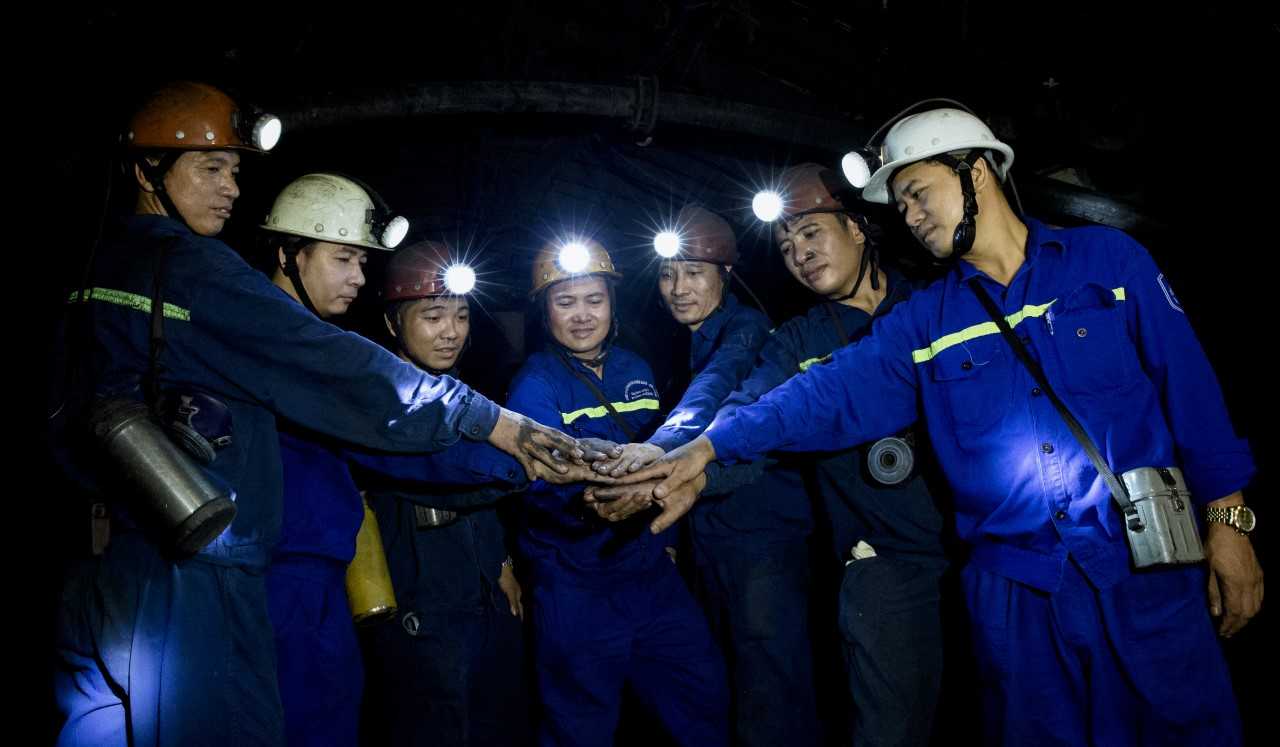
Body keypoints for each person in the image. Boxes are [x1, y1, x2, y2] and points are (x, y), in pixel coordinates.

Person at [617, 107, 1263, 746]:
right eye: (901, 206)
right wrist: (707, 445)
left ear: (977, 171)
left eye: (918, 194)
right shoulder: (927, 321)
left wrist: (1228, 521)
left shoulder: (1109, 263)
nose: (911, 217)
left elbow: (1192, 393)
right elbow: (820, 394)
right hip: (1016, 592)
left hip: (1143, 569)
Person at [52, 82, 590, 747]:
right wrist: (503, 428)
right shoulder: (202, 276)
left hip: (115, 575)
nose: (230, 187)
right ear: (147, 170)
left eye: (236, 170)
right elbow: (344, 373)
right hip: (210, 579)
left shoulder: (98, 265)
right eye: (211, 167)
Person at [506, 237, 729, 746]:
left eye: (594, 300)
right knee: (579, 725)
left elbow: (667, 452)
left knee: (702, 698)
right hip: (575, 581)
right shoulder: (534, 385)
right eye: (565, 303)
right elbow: (542, 482)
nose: (582, 316)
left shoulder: (636, 369)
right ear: (545, 312)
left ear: (612, 302)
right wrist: (602, 495)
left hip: (650, 574)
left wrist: (669, 540)